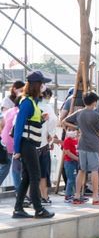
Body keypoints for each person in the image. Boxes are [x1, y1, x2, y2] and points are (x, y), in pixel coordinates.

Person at [12, 71, 54, 219]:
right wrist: (16, 150)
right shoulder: (28, 102)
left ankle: (18, 209)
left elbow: (31, 123)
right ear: (37, 85)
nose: (44, 86)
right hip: (26, 145)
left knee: (28, 177)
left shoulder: (32, 102)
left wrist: (41, 119)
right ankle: (39, 209)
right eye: (42, 83)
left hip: (29, 144)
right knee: (35, 176)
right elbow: (18, 127)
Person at [64, 92, 99, 206]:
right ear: (94, 102)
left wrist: (78, 127)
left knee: (81, 170)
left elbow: (64, 121)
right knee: (94, 170)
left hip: (81, 144)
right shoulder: (96, 115)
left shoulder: (79, 113)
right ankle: (95, 197)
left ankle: (77, 196)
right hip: (93, 144)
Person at [38, 88, 58, 205]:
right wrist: (50, 134)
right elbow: (54, 120)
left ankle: (28, 197)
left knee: (29, 173)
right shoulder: (47, 107)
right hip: (43, 144)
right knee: (43, 173)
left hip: (30, 144)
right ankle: (44, 196)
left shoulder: (30, 104)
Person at [0, 99, 19, 191]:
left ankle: (19, 191)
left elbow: (2, 124)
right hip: (14, 143)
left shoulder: (8, 111)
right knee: (16, 169)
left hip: (4, 141)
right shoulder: (19, 112)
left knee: (4, 168)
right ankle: (19, 191)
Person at [62, 127, 80, 203]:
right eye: (70, 130)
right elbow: (67, 152)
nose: (72, 132)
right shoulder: (66, 140)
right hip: (69, 162)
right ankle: (68, 195)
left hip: (75, 162)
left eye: (74, 130)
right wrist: (77, 159)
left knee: (76, 179)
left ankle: (75, 194)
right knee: (71, 179)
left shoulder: (76, 140)